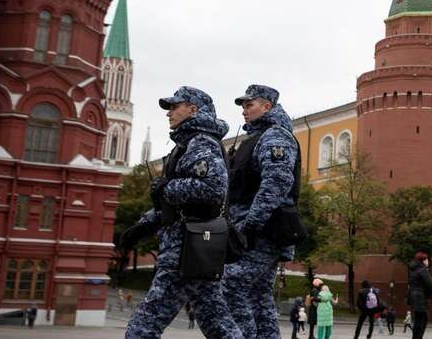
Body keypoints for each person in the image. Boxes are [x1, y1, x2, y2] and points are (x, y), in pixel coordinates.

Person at [116, 86, 244, 339]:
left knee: (144, 324)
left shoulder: (200, 142)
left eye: (175, 107)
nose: (169, 113)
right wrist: (145, 225)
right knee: (218, 323)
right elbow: (179, 205)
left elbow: (212, 188)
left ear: (193, 110)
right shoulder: (188, 143)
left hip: (187, 247)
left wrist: (167, 187)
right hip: (193, 245)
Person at [225, 84, 301, 339]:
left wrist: (248, 225)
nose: (244, 111)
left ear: (266, 106)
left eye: (249, 105)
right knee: (259, 298)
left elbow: (276, 184)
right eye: (243, 106)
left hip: (261, 232)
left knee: (231, 286)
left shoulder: (275, 136)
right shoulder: (258, 137)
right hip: (257, 230)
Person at [406, 252, 432, 339]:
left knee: (419, 320)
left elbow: (411, 285)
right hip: (420, 298)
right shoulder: (423, 270)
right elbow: (430, 285)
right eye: (426, 259)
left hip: (414, 298)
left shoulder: (413, 270)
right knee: (422, 320)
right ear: (423, 261)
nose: (428, 261)